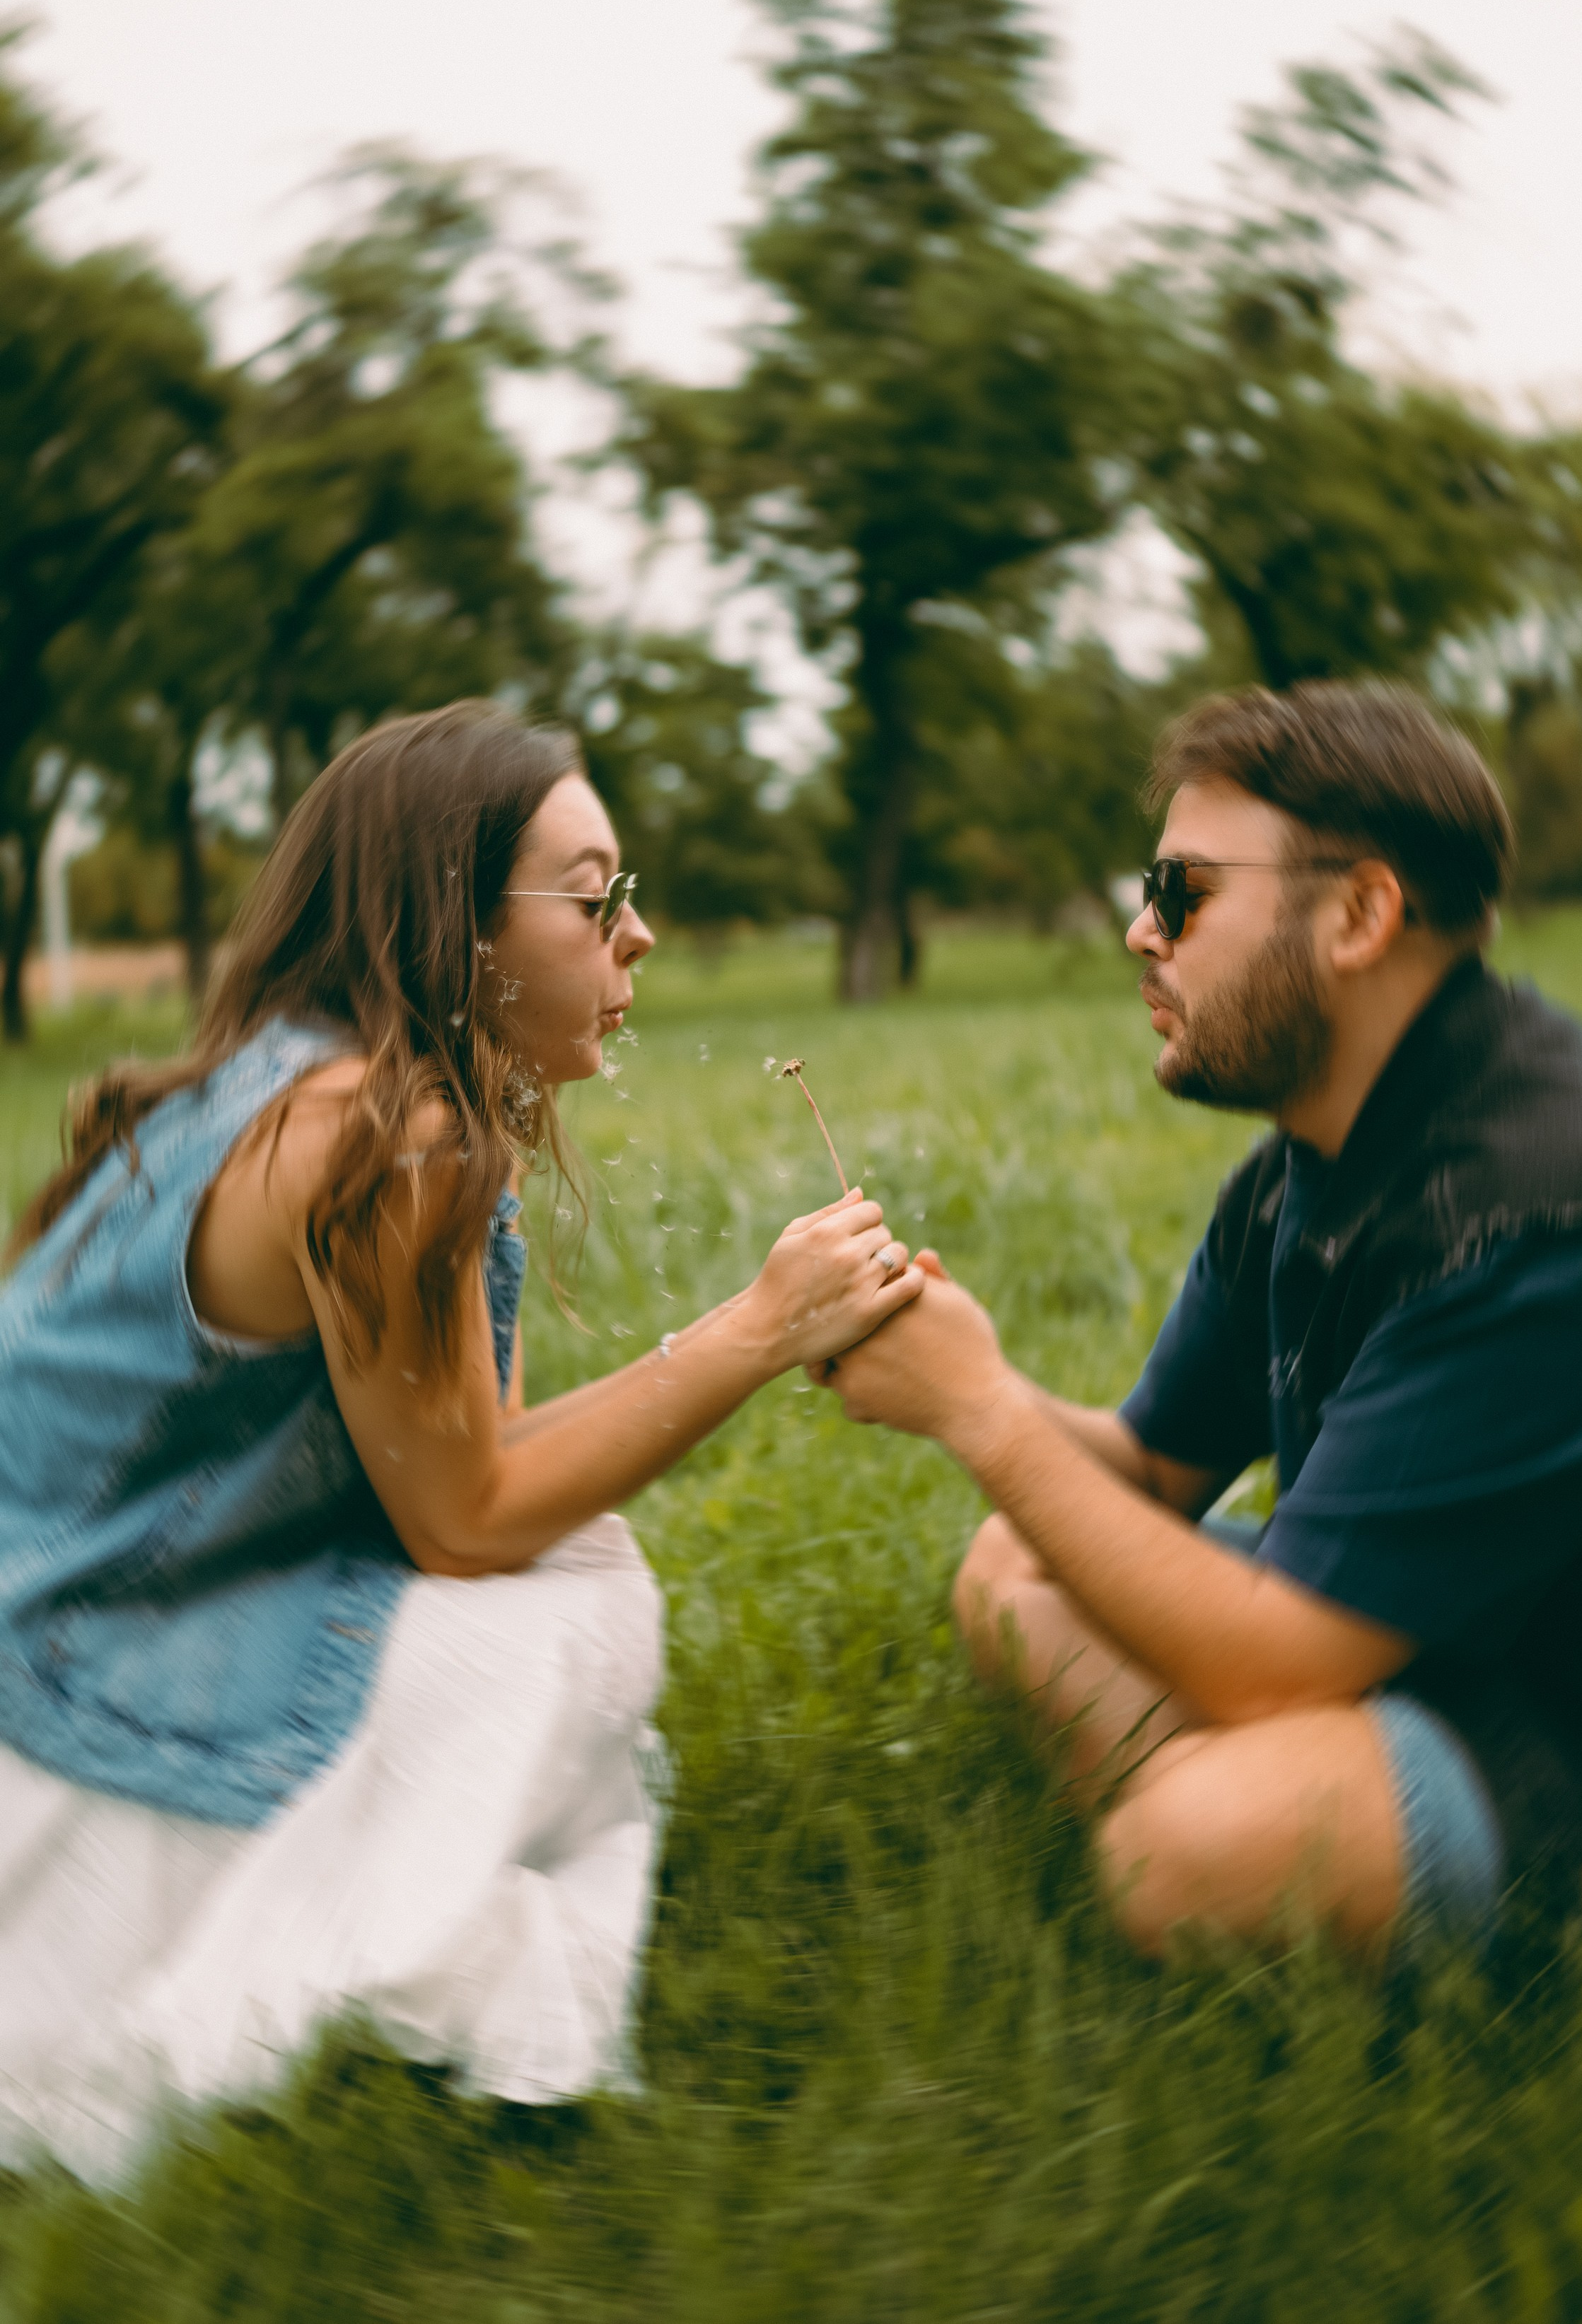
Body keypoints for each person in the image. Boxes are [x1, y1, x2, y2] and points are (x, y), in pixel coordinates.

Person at [0, 700, 922, 2183]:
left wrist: (752, 1328)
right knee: (552, 1622)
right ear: (456, 926)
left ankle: (355, 1884)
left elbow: (453, 1466)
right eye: (594, 893)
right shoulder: (382, 1133)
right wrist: (757, 1327)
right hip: (46, 1674)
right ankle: (324, 1939)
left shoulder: (330, 1085)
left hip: (79, 1613)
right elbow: (465, 1521)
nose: (640, 935)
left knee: (576, 1567)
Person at [821, 680, 1582, 1956]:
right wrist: (955, 1363)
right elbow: (1152, 1466)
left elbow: (1275, 1655)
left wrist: (980, 1411)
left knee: (1188, 1851)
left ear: (1361, 914)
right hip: (1413, 1638)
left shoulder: (1541, 1205)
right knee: (1013, 1566)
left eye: (1182, 894)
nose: (1140, 937)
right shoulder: (1307, 1157)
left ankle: (1296, 1856)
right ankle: (1297, 1841)